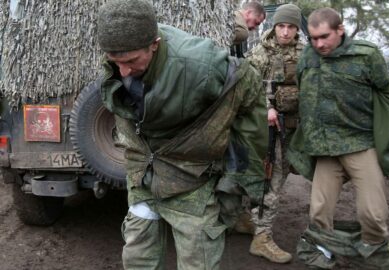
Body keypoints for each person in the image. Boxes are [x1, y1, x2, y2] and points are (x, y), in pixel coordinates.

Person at [96, 1, 268, 269]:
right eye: (115, 63)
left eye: (131, 61)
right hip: (144, 178)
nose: (124, 72)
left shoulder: (201, 66)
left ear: (154, 44)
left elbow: (249, 89)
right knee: (137, 260)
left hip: (192, 182)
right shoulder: (122, 47)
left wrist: (239, 177)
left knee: (197, 262)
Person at [287, 7, 389, 269]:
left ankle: (373, 255)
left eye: (325, 36)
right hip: (325, 147)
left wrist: (387, 128)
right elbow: (304, 91)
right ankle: (322, 251)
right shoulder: (308, 56)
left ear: (340, 30)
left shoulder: (366, 55)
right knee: (319, 210)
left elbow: (388, 91)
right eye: (313, 38)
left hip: (359, 143)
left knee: (373, 213)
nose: (319, 44)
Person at [244, 3, 305, 264]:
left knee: (280, 175)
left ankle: (247, 218)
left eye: (291, 26)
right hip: (269, 129)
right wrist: (267, 107)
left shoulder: (305, 52)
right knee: (273, 180)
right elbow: (247, 86)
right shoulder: (261, 52)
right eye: (281, 26)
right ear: (274, 26)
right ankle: (262, 237)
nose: (285, 32)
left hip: (295, 127)